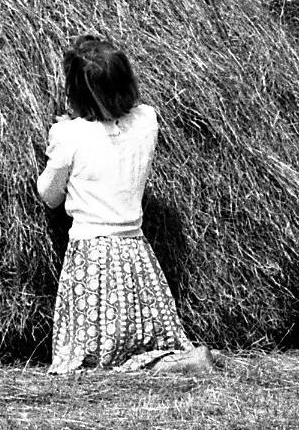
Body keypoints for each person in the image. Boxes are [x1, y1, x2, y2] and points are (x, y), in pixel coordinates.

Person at [36, 36, 212, 375]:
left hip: (92, 257)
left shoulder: (69, 137)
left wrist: (59, 136)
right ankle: (176, 359)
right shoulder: (147, 121)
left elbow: (50, 195)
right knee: (141, 339)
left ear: (76, 91)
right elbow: (119, 125)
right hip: (136, 253)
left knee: (91, 361)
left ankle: (179, 366)